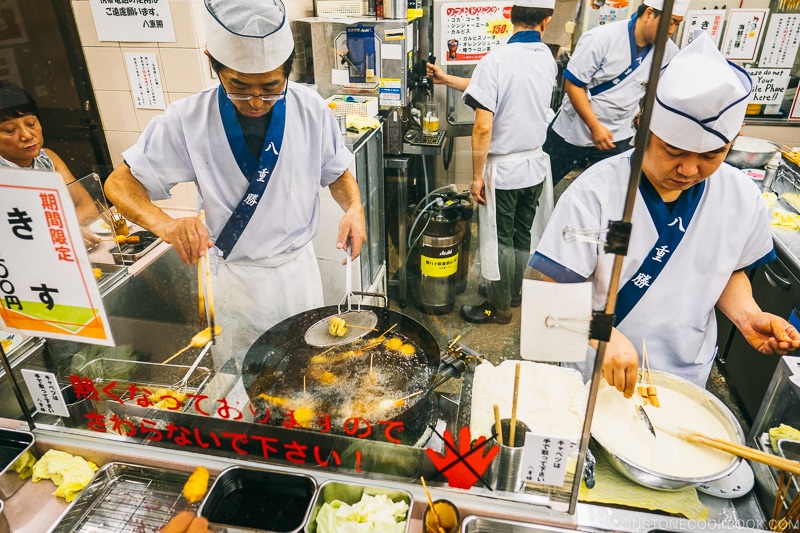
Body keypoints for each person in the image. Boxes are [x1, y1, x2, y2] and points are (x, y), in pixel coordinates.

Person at [529, 34, 800, 395]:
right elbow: (553, 292)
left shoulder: (742, 197)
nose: (689, 169)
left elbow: (727, 269)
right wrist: (603, 335)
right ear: (642, 127)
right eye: (673, 151)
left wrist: (748, 316)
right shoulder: (595, 194)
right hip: (597, 369)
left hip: (683, 376)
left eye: (710, 155)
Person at [104, 0, 366, 363]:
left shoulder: (311, 108)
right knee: (244, 377)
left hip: (298, 272)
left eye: (271, 86)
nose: (256, 100)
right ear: (213, 63)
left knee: (308, 368)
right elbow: (118, 184)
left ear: (288, 70)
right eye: (239, 86)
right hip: (237, 281)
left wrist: (353, 207)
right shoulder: (188, 119)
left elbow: (337, 172)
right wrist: (164, 224)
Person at [456, 0, 556, 325]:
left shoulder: (495, 60)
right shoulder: (548, 60)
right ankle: (513, 291)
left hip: (505, 172)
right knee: (521, 233)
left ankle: (497, 309)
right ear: (546, 21)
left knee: (501, 239)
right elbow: (512, 95)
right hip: (535, 166)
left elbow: (483, 125)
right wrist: (447, 79)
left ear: (510, 16)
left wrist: (475, 176)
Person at [544, 0, 688, 186]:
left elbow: (659, 90)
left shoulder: (668, 52)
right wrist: (595, 127)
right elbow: (573, 86)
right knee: (543, 185)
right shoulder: (601, 38)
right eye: (670, 22)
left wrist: (643, 115)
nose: (672, 31)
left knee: (612, 190)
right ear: (649, 14)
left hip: (617, 134)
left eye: (677, 24)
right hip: (573, 130)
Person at [0, 81, 100, 250]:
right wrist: (62, 232)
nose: (27, 135)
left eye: (31, 124)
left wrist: (63, 231)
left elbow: (88, 207)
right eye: (10, 130)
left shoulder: (48, 158)